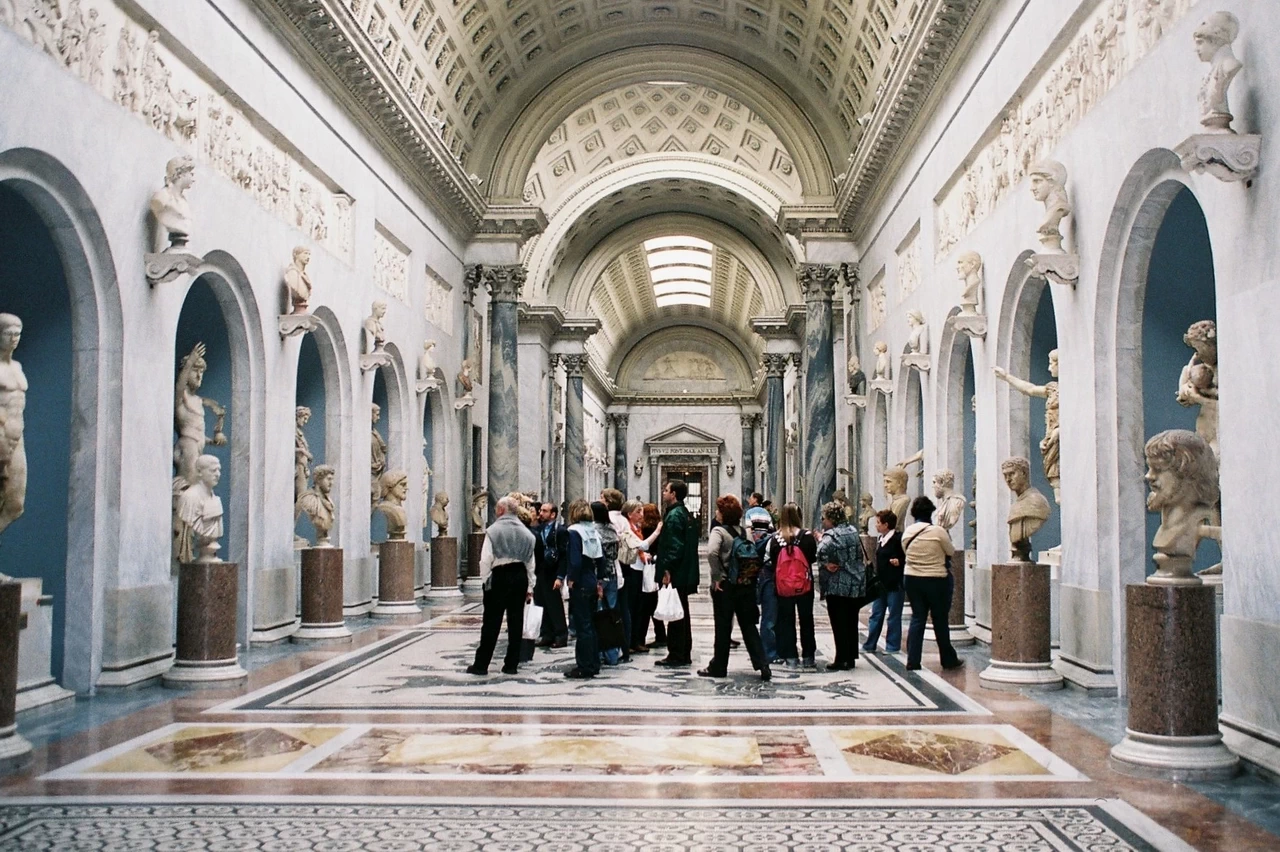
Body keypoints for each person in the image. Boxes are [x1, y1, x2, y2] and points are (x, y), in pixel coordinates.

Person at [700, 494, 770, 680]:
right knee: (749, 626)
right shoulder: (746, 532)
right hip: (745, 585)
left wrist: (718, 577)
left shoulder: (719, 532)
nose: (716, 513)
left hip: (726, 587)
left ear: (723, 514)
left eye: (718, 510)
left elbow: (712, 553)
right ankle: (763, 664)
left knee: (723, 628)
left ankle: (719, 667)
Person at [465, 495, 536, 677]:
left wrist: (485, 580)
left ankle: (481, 665)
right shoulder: (527, 533)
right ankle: (511, 665)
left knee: (491, 622)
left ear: (501, 510)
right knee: (516, 621)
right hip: (520, 575)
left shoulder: (493, 531)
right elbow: (530, 563)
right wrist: (530, 587)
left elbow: (485, 559)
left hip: (499, 576)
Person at [902, 496, 964, 672]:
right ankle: (947, 658)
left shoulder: (908, 532)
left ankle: (913, 660)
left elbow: (905, 551)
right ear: (931, 512)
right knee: (940, 620)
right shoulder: (938, 532)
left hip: (912, 578)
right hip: (936, 579)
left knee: (917, 618)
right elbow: (950, 551)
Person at [815, 500, 868, 671]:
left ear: (831, 518)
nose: (823, 521)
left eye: (824, 518)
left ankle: (841, 658)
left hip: (838, 584)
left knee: (838, 622)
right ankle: (851, 656)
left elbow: (820, 552)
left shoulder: (832, 535)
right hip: (855, 582)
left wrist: (825, 563)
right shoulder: (852, 530)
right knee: (851, 621)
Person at [766, 502, 817, 671]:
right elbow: (812, 558)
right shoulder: (807, 536)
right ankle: (808, 656)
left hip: (783, 586)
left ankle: (791, 656)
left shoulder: (776, 538)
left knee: (786, 620)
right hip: (804, 585)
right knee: (806, 619)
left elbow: (773, 561)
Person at [655, 479, 698, 668]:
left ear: (674, 494)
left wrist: (667, 569)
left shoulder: (674, 516)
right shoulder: (684, 513)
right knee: (681, 611)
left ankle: (677, 653)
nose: (663, 493)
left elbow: (674, 546)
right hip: (684, 570)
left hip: (676, 572)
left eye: (666, 490)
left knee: (676, 613)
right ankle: (682, 651)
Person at [557, 499, 601, 679]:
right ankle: (594, 662)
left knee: (582, 625)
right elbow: (601, 559)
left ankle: (584, 666)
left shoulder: (574, 532)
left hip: (581, 580)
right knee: (592, 624)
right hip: (592, 578)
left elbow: (574, 559)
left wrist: (571, 579)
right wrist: (600, 581)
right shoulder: (593, 530)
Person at [619, 499, 662, 653]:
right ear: (630, 514)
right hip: (631, 570)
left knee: (639, 607)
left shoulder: (636, 528)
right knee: (632, 606)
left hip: (639, 569)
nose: (641, 514)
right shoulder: (627, 528)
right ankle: (630, 641)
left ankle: (636, 640)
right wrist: (657, 531)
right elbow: (641, 545)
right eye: (638, 511)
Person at [863, 509, 905, 654]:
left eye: (878, 523)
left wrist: (899, 561)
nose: (876, 526)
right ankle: (870, 644)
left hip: (894, 584)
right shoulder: (881, 540)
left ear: (886, 525)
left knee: (893, 616)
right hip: (881, 584)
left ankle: (892, 646)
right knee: (876, 614)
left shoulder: (898, 539)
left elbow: (907, 558)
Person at [592, 501, 626, 665]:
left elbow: (598, 558)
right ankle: (613, 654)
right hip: (612, 574)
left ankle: (599, 652)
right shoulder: (612, 529)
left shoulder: (594, 531)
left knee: (598, 615)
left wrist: (599, 580)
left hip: (600, 576)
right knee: (611, 614)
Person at [602, 489, 633, 661]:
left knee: (610, 612)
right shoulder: (624, 520)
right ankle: (624, 647)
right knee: (623, 610)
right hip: (625, 566)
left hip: (613, 568)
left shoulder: (610, 520)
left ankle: (611, 649)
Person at [533, 502, 569, 648]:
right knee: (542, 602)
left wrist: (560, 576)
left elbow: (564, 555)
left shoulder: (560, 531)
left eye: (545, 511)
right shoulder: (538, 529)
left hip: (553, 571)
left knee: (554, 604)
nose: (541, 513)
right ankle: (546, 633)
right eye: (540, 510)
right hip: (540, 570)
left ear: (553, 514)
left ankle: (561, 634)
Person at [638, 502, 667, 648]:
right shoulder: (660, 528)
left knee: (646, 604)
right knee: (653, 602)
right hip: (657, 565)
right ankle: (661, 634)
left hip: (647, 566)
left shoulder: (645, 528)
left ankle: (641, 638)